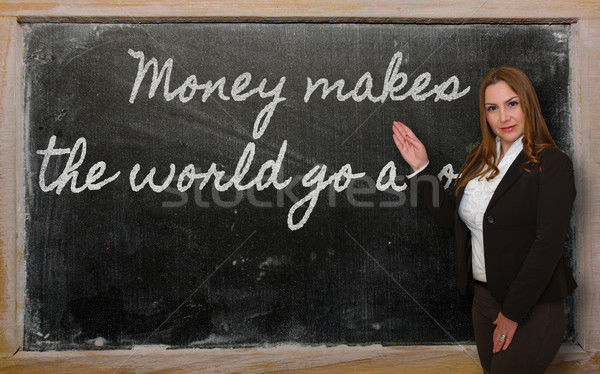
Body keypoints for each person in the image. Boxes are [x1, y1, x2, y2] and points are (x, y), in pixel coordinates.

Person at [392, 65, 576, 374]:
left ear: (528, 104)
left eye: (512, 104)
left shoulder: (552, 164)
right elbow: (457, 222)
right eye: (493, 108)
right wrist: (422, 169)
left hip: (530, 306)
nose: (504, 117)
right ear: (485, 114)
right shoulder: (479, 162)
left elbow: (548, 245)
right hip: (483, 302)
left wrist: (513, 313)